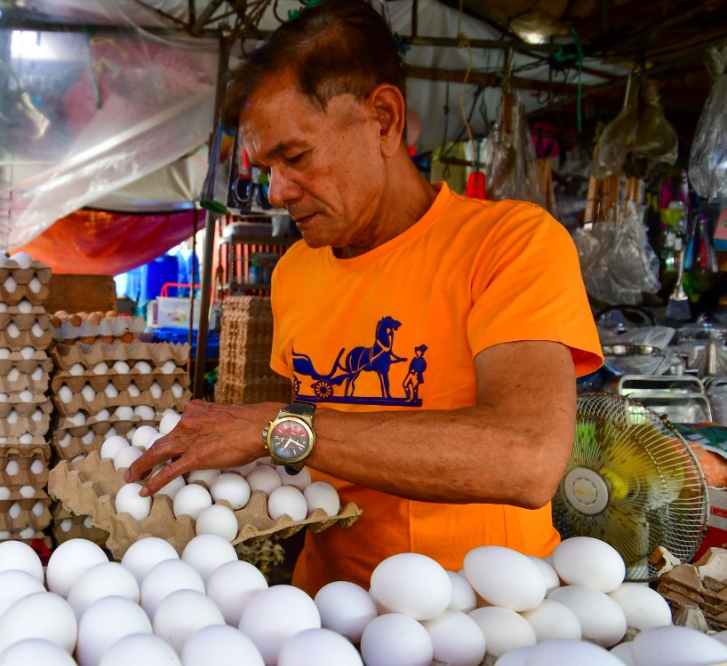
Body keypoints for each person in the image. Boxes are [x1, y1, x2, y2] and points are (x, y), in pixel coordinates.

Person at [127, 0, 603, 595]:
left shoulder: (509, 244)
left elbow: (527, 457)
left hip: (483, 612)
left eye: (295, 157)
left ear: (384, 119)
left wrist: (277, 428)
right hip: (326, 611)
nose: (276, 192)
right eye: (266, 167)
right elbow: (305, 451)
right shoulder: (294, 271)